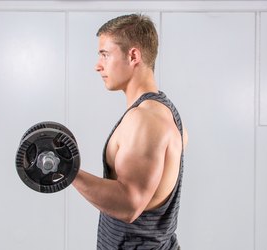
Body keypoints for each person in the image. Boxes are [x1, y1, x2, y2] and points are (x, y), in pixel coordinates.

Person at [72, 13, 188, 250]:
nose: (98, 65)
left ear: (133, 55)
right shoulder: (164, 112)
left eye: (105, 54)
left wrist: (68, 172)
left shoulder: (146, 119)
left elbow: (129, 204)